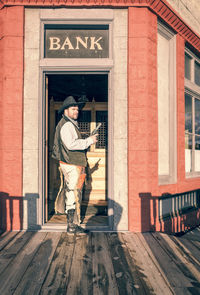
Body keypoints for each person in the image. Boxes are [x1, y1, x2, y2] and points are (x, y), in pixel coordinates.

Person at [52, 96, 98, 234]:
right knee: (73, 192)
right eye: (73, 109)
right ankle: (72, 226)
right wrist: (89, 140)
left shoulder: (69, 123)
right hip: (71, 164)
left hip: (71, 163)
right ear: (65, 110)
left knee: (71, 191)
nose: (76, 111)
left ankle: (73, 223)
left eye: (77, 109)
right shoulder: (66, 125)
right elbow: (71, 145)